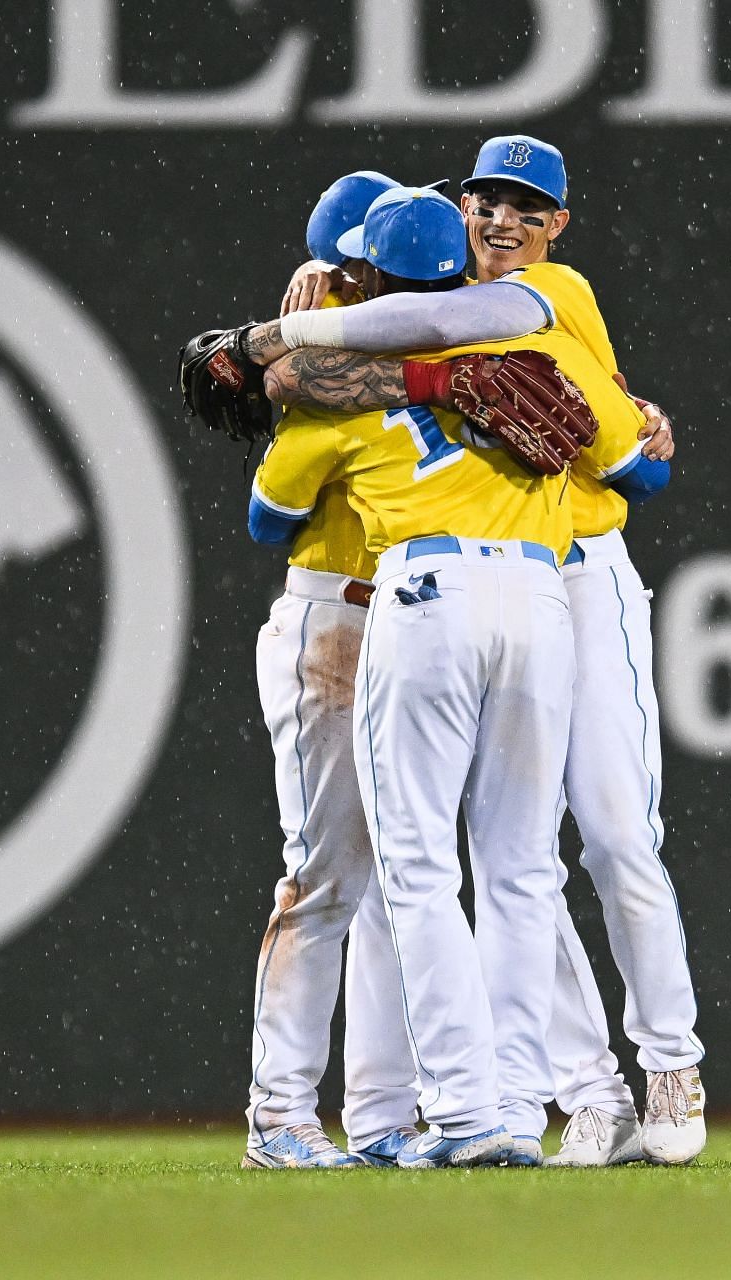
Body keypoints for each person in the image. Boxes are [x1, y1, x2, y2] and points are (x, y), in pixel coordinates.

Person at [245, 135, 706, 1166]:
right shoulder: (486, 359)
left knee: (400, 875)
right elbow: (635, 467)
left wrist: (292, 347)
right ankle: (447, 1108)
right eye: (481, 203)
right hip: (523, 590)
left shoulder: (382, 364)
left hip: (410, 600)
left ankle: (470, 1106)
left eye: (520, 205)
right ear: (455, 224)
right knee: (491, 869)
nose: (499, 220)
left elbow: (267, 518)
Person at [239, 171, 426, 1171]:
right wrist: (292, 354)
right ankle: (279, 1114)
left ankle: (386, 1113)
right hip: (330, 621)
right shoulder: (322, 365)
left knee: (407, 881)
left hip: (406, 624)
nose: (385, 280)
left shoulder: (407, 352)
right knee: (323, 877)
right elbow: (266, 515)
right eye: (367, 265)